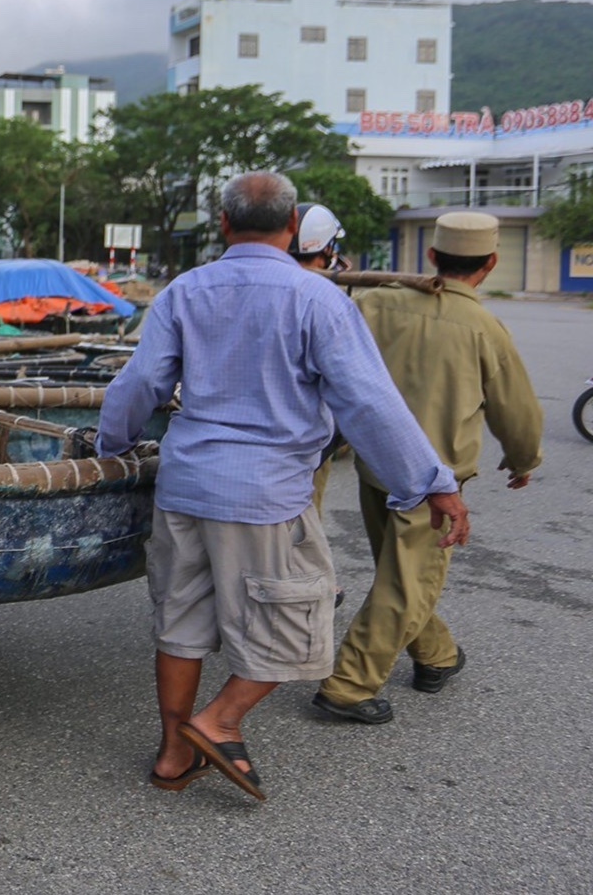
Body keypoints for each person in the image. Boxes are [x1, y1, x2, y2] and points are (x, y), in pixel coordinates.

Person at [96, 171, 469, 802]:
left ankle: (172, 756)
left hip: (185, 488)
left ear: (223, 224)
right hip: (265, 497)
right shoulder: (319, 298)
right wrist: (431, 483)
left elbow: (140, 385)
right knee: (301, 621)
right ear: (295, 226)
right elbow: (368, 403)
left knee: (181, 625)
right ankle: (219, 720)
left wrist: (110, 444)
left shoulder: (185, 291)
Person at [312, 211, 543, 724]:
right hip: (435, 480)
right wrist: (523, 460)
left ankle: (435, 654)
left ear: (433, 256)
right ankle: (349, 686)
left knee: (403, 574)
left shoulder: (375, 302)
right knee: (410, 580)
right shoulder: (485, 327)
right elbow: (517, 409)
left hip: (376, 463)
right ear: (490, 265)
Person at [288, 202, 351, 605]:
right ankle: (307, 580)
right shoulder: (329, 294)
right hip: (309, 431)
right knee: (304, 506)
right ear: (324, 247)